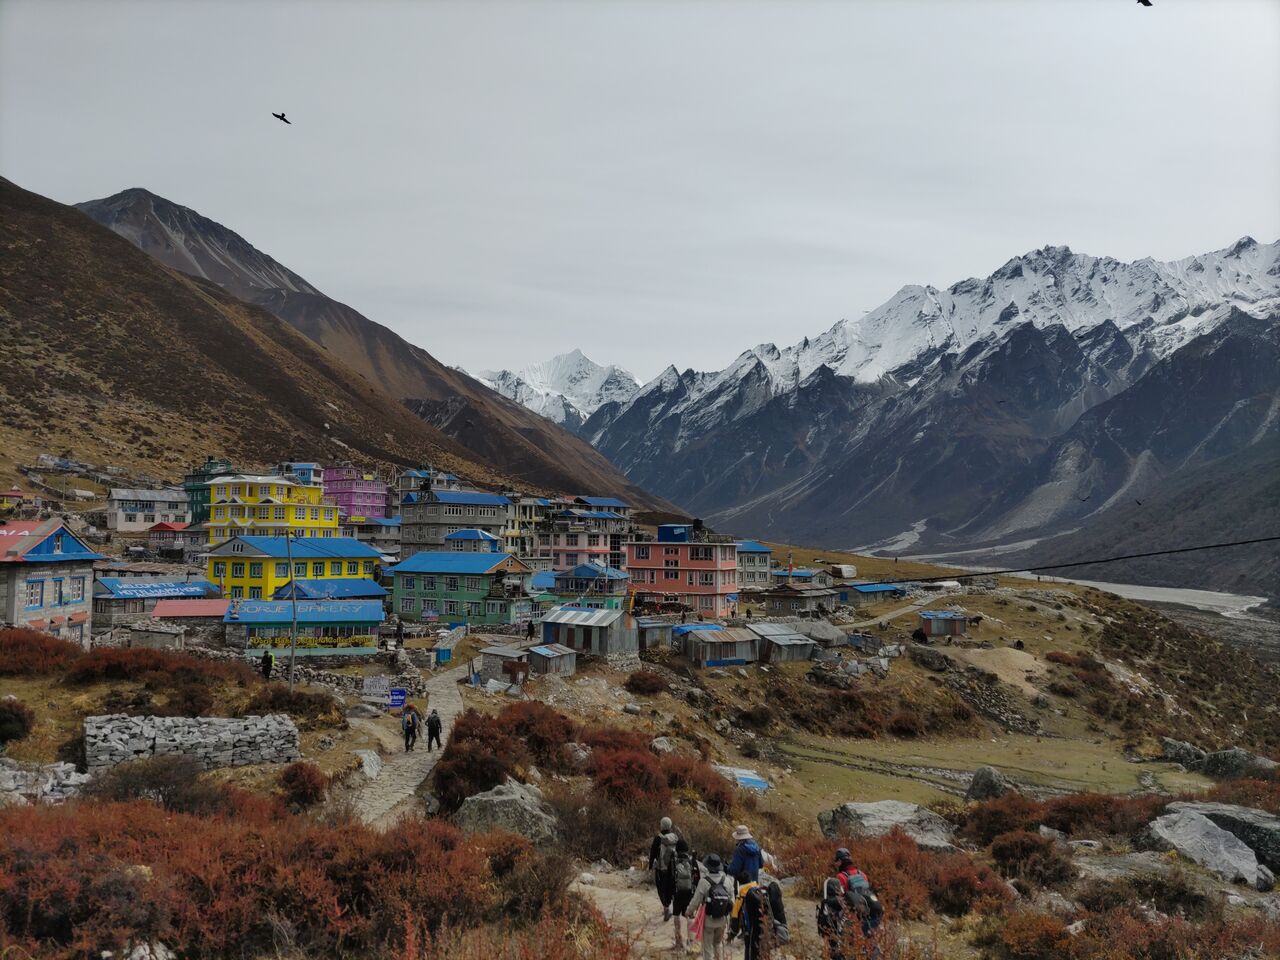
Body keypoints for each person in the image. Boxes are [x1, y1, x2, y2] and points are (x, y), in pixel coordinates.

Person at [686, 853, 733, 960]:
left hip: (709, 920)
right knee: (718, 943)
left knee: (707, 948)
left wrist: (688, 911)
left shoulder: (704, 882)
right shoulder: (727, 880)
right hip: (722, 920)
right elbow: (731, 901)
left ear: (707, 866)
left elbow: (696, 901)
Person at [834, 848, 883, 939]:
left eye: (836, 861)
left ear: (840, 861)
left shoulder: (840, 876)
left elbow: (841, 898)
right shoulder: (862, 874)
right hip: (869, 909)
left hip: (855, 912)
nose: (835, 863)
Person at [647, 816, 680, 921]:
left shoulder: (658, 838)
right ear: (670, 826)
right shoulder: (675, 837)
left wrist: (650, 866)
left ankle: (666, 908)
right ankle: (669, 907)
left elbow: (653, 853)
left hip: (661, 868)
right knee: (670, 886)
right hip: (673, 868)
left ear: (661, 825)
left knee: (661, 887)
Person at [670, 837, 699, 949]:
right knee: (690, 916)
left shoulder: (673, 861)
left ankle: (678, 941)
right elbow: (697, 878)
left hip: (677, 893)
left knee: (676, 915)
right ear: (687, 849)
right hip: (689, 893)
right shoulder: (692, 860)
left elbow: (670, 878)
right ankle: (691, 942)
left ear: (677, 849)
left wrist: (670, 893)